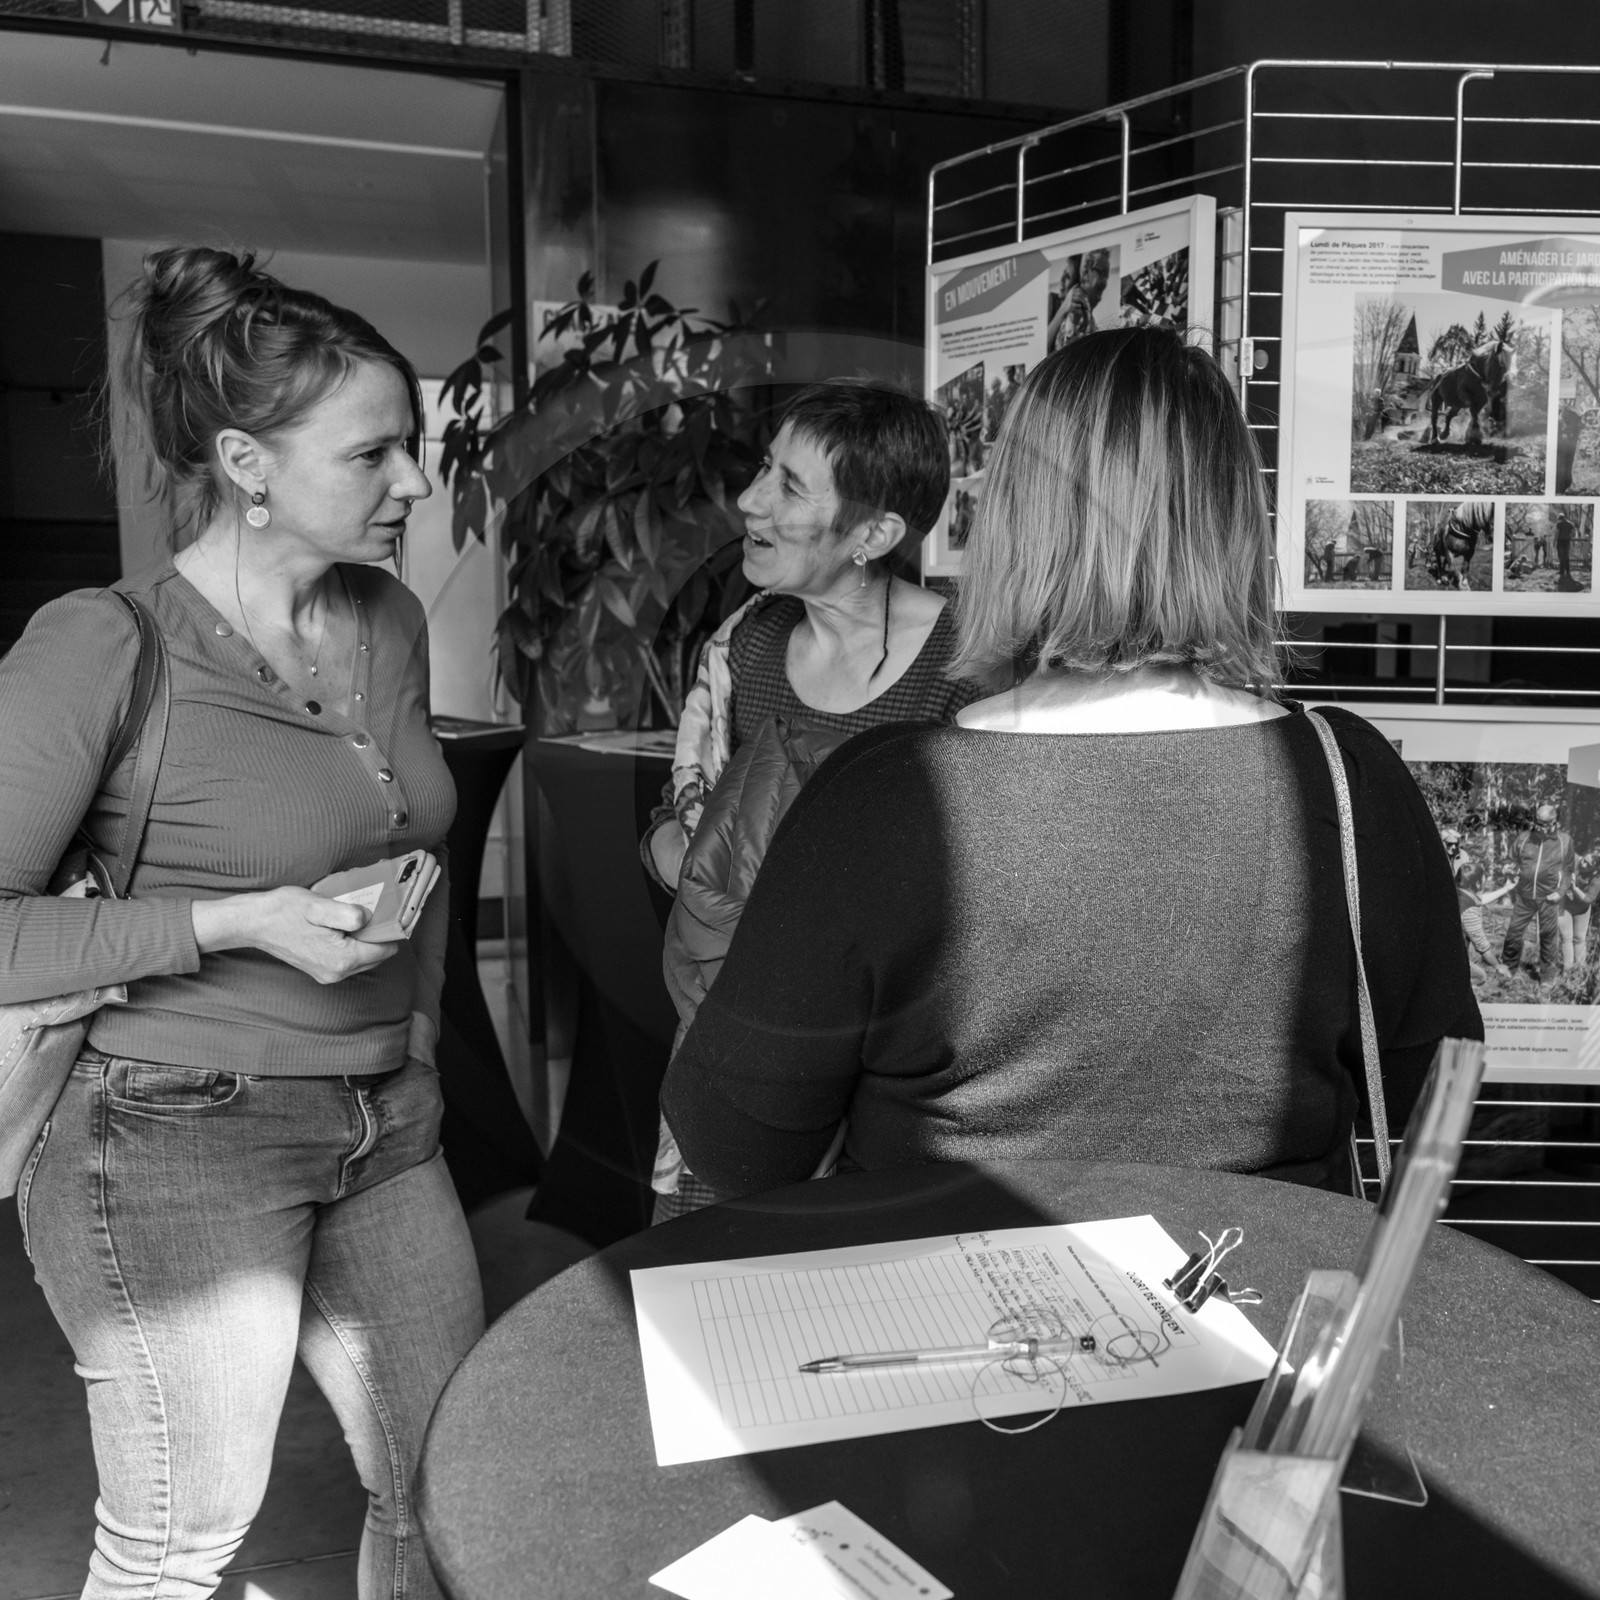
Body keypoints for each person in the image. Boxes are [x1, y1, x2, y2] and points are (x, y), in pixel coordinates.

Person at [660, 327, 1481, 1199]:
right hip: (1261, 1309)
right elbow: (1437, 1097)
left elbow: (734, 1140)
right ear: (1236, 522)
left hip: (942, 1314)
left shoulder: (886, 792)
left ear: (1014, 524)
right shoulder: (1354, 780)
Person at [0, 248, 482, 1599]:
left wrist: (426, 1036)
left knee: (450, 1484)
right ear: (247, 463)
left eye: (418, 446)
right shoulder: (104, 643)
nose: (417, 484)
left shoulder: (382, 618)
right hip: (172, 1132)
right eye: (377, 452)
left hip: (388, 1120)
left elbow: (412, 844)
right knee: (176, 1546)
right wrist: (242, 921)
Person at [643, 380, 981, 1218]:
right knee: (711, 1309)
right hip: (741, 1048)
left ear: (875, 533)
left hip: (908, 1087)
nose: (750, 500)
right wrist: (705, 855)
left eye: (790, 486)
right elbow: (673, 828)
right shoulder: (742, 644)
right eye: (765, 469)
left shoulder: (972, 666)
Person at [1499, 802, 1574, 983]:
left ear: (1554, 822)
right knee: (1514, 933)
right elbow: (1511, 858)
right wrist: (1509, 867)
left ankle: (1547, 980)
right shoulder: (1525, 837)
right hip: (1524, 896)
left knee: (1548, 938)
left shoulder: (1565, 841)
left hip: (1549, 898)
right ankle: (1507, 971)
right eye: (1537, 822)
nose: (1538, 827)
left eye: (1543, 823)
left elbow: (1568, 871)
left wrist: (1560, 892)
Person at [1442, 827, 1513, 982]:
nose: (1453, 847)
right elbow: (1482, 946)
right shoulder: (1468, 910)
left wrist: (1505, 889)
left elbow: (1479, 900)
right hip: (1445, 957)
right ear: (1477, 884)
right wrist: (1498, 966)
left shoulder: (1459, 894)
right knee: (1479, 977)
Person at [1556, 510, 1576, 584]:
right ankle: (1567, 571)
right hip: (1567, 541)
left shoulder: (1559, 524)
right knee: (1566, 556)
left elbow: (1557, 533)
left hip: (1560, 541)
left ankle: (1561, 571)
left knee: (1561, 556)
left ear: (1559, 518)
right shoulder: (1571, 524)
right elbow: (1573, 533)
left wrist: (1554, 541)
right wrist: (1570, 536)